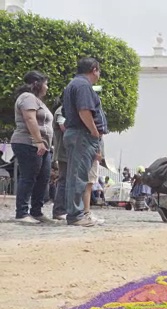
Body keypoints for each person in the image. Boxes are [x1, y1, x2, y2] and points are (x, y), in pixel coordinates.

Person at [62, 58, 107, 227]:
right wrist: (94, 132)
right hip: (83, 134)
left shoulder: (73, 85)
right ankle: (75, 214)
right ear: (94, 69)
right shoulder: (83, 86)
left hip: (77, 134)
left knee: (77, 175)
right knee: (78, 177)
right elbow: (84, 111)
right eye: (99, 71)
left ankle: (77, 213)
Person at [10, 70, 54, 224]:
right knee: (29, 177)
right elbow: (30, 118)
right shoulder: (27, 97)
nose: (47, 87)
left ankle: (37, 211)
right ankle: (22, 212)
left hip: (42, 145)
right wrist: (38, 141)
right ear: (37, 84)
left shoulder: (37, 100)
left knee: (43, 178)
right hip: (28, 142)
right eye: (46, 84)